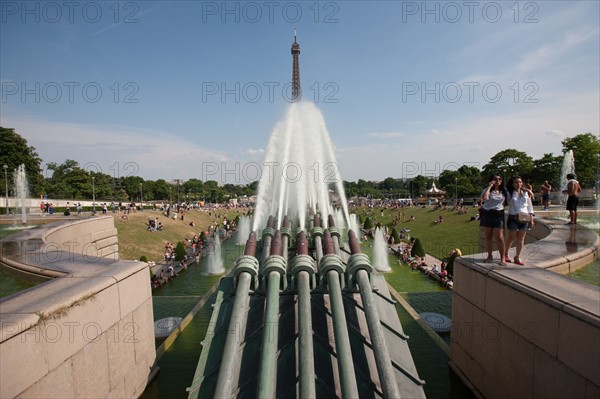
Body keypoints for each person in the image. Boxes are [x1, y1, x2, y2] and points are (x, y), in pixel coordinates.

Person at [504, 176, 535, 266]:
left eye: (520, 182)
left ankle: (517, 256)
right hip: (513, 217)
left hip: (524, 217)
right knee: (511, 237)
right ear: (512, 184)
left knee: (521, 238)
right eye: (516, 182)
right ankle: (505, 254)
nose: (518, 184)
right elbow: (505, 190)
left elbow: (529, 206)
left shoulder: (525, 193)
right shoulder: (510, 193)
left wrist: (531, 219)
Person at [480, 174, 507, 265]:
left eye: (499, 179)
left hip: (498, 214)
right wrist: (489, 187)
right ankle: (489, 256)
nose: (498, 180)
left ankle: (502, 258)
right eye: (495, 179)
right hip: (487, 213)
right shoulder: (487, 190)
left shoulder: (503, 191)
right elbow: (484, 198)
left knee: (499, 237)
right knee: (488, 236)